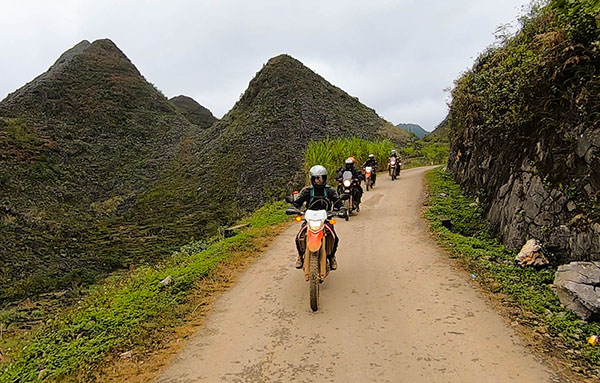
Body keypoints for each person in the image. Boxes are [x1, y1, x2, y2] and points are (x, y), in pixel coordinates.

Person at [286, 165, 346, 270]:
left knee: (335, 238)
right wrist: (292, 208)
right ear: (312, 178)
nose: (319, 180)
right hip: (310, 218)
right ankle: (300, 256)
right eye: (317, 178)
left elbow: (338, 202)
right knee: (298, 237)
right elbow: (297, 203)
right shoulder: (307, 191)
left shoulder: (330, 191)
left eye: (322, 177)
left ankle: (332, 257)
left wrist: (342, 209)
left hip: (325, 218)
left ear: (325, 178)